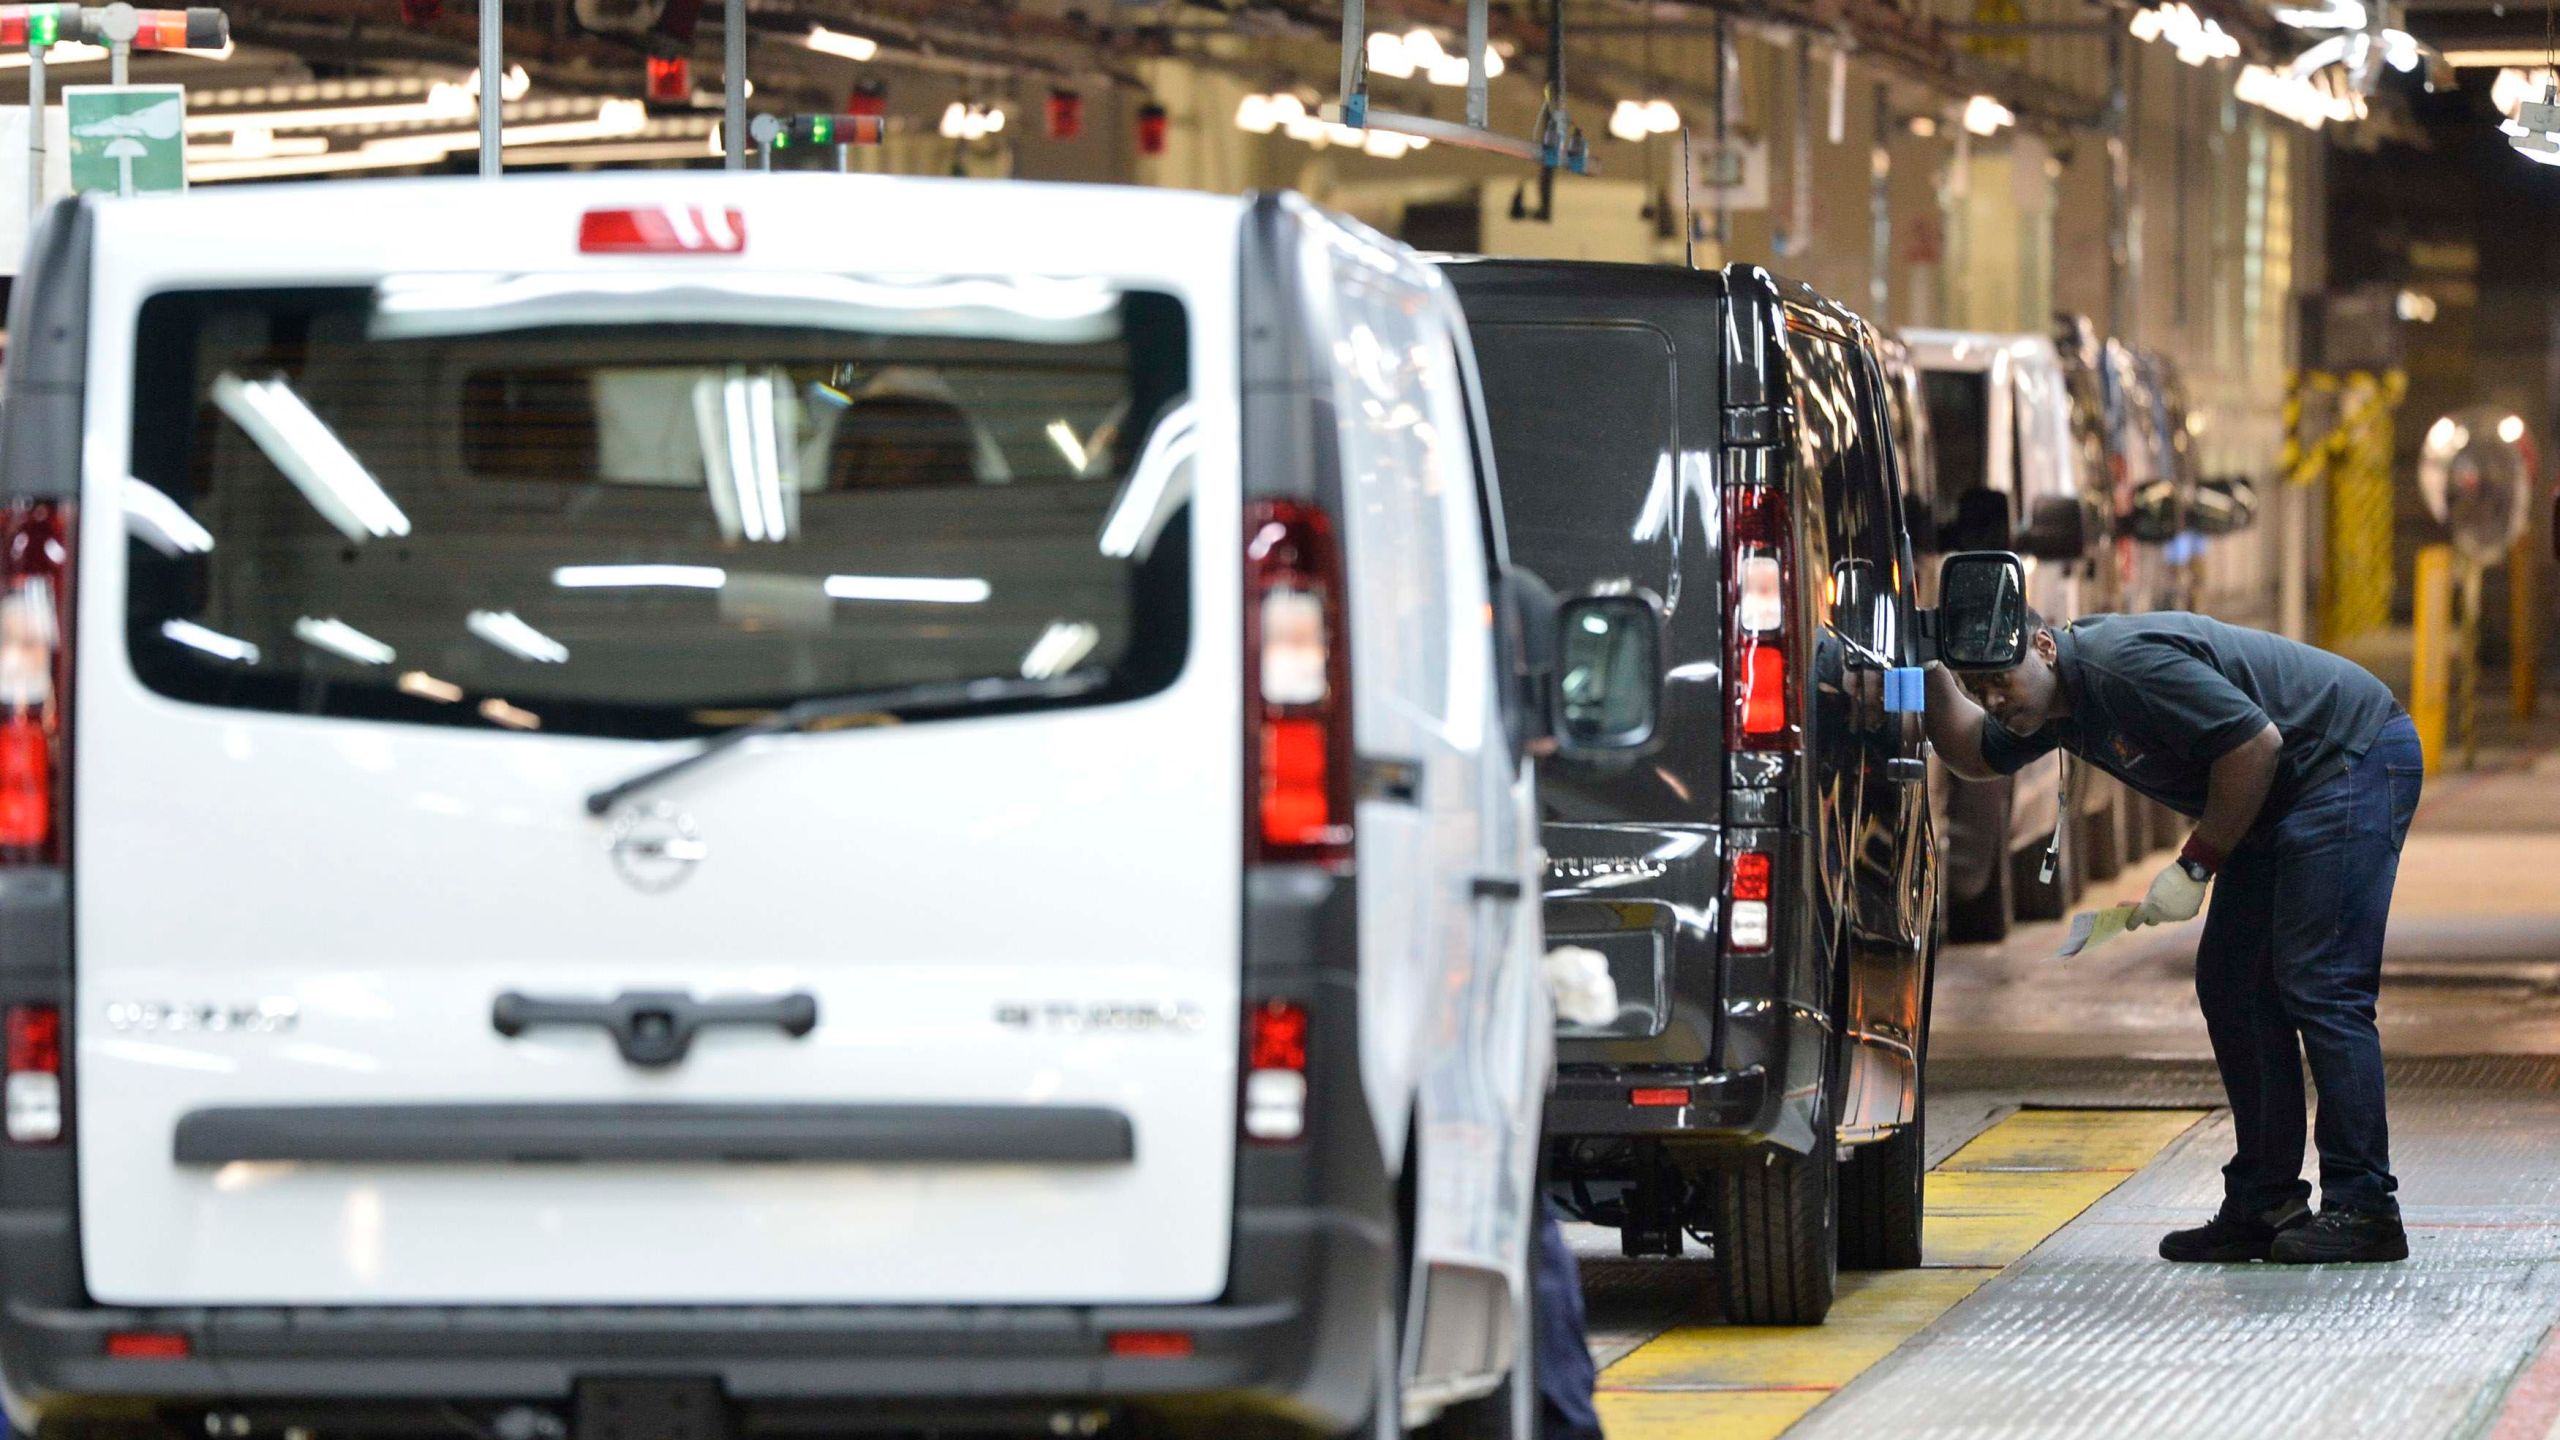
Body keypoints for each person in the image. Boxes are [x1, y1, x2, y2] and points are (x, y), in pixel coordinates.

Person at [1924, 607, 2424, 1265]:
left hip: (2347, 759)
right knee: (2233, 984)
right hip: (2282, 793)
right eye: (1977, 688)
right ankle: (2266, 1202)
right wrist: (1920, 671)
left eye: (1998, 684)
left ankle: (2365, 1208)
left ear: (2043, 647)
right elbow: (1972, 751)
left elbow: (2255, 745)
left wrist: (2196, 863)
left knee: (2320, 983)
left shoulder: (2120, 665)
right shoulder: (2052, 704)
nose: (1992, 700)